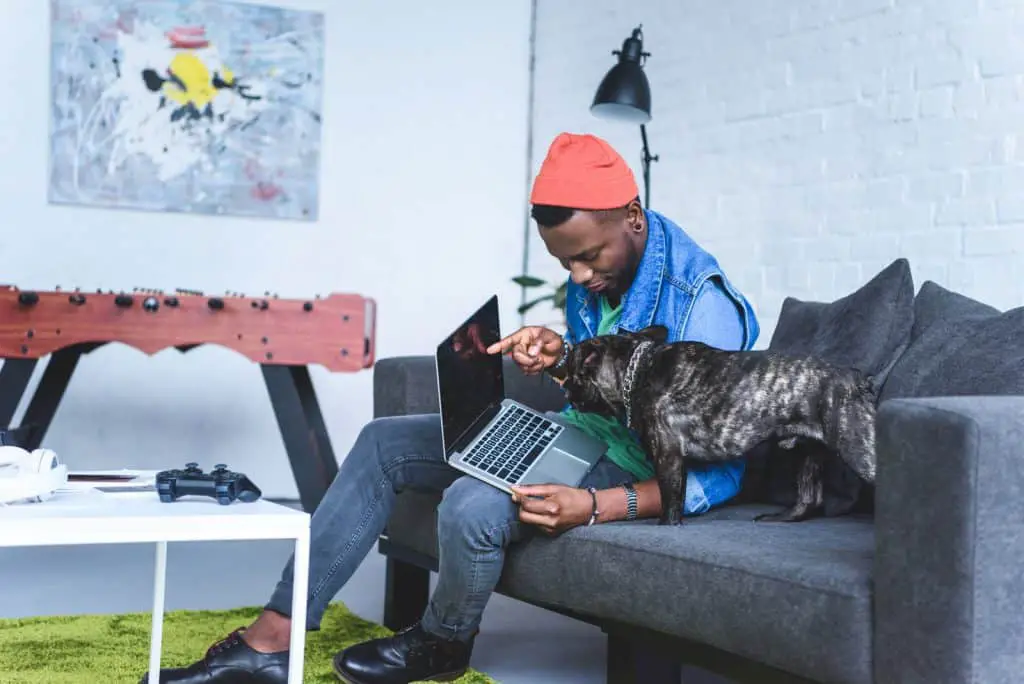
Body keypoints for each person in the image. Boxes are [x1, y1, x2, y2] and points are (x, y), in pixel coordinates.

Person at [141, 132, 759, 684]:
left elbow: (719, 472)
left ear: (632, 217)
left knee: (472, 501)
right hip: (581, 436)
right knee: (385, 441)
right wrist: (564, 355)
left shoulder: (704, 312)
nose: (578, 273)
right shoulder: (604, 267)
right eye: (563, 261)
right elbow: (617, 375)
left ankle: (442, 643)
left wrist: (597, 505)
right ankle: (272, 639)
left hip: (637, 470)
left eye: (589, 256)